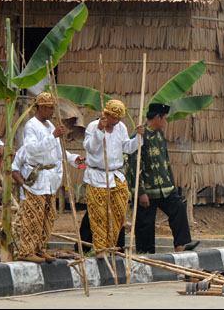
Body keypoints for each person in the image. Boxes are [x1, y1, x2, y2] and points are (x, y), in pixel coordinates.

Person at [11, 93, 85, 263]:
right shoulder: (31, 126)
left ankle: (40, 247)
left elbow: (57, 151)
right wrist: (53, 136)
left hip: (50, 179)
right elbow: (32, 149)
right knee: (33, 218)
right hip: (37, 178)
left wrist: (73, 158)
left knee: (48, 216)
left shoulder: (49, 124)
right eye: (50, 108)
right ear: (42, 108)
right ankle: (26, 250)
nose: (53, 111)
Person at [132, 103, 199, 253]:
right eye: (165, 119)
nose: (166, 122)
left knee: (178, 208)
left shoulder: (160, 134)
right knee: (145, 222)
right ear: (157, 117)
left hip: (165, 187)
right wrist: (141, 191)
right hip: (148, 189)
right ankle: (145, 252)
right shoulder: (139, 136)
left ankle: (181, 244)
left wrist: (172, 183)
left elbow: (165, 160)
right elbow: (134, 165)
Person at [83, 99, 143, 258]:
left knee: (119, 212)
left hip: (116, 175)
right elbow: (90, 148)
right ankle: (100, 249)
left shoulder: (121, 127)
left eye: (119, 119)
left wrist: (138, 138)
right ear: (106, 114)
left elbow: (127, 148)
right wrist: (99, 131)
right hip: (97, 176)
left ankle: (110, 245)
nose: (116, 122)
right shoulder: (92, 126)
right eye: (114, 118)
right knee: (99, 214)